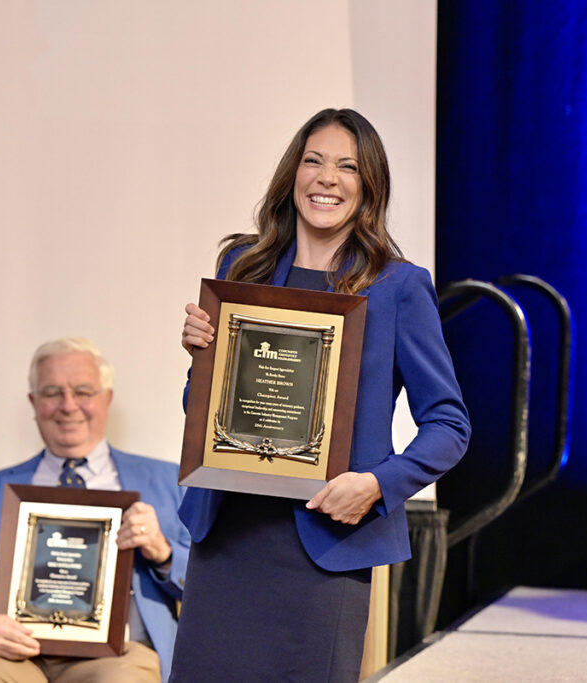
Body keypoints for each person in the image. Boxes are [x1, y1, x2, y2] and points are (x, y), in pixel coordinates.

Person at [172, 108, 471, 681]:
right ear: (293, 174)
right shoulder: (243, 266)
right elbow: (200, 413)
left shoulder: (398, 287)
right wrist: (202, 363)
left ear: (369, 186)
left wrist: (378, 484)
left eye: (347, 167)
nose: (326, 178)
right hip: (228, 538)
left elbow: (450, 426)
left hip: (325, 548)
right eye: (313, 161)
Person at [0, 338, 189, 683]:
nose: (68, 405)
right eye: (52, 393)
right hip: (9, 655)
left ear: (106, 399)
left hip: (119, 656)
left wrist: (163, 553)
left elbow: (208, 584)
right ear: (33, 403)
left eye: (83, 391)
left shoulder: (167, 480)